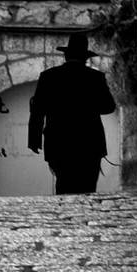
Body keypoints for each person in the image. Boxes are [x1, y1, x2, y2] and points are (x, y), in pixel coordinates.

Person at [27, 31, 116, 194]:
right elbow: (109, 107)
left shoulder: (48, 77)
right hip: (89, 144)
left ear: (66, 56)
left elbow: (38, 110)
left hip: (59, 143)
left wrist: (34, 139)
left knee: (64, 185)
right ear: (85, 57)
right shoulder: (95, 78)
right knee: (87, 187)